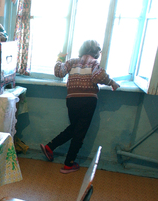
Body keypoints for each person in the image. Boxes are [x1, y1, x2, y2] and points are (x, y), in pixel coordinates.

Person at [40, 40, 120, 174]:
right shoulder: (94, 62)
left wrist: (60, 58)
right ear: (96, 52)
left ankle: (49, 147)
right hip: (88, 101)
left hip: (72, 100)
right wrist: (111, 82)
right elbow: (97, 76)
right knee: (79, 133)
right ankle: (68, 164)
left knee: (74, 128)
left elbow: (59, 73)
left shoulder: (72, 62)